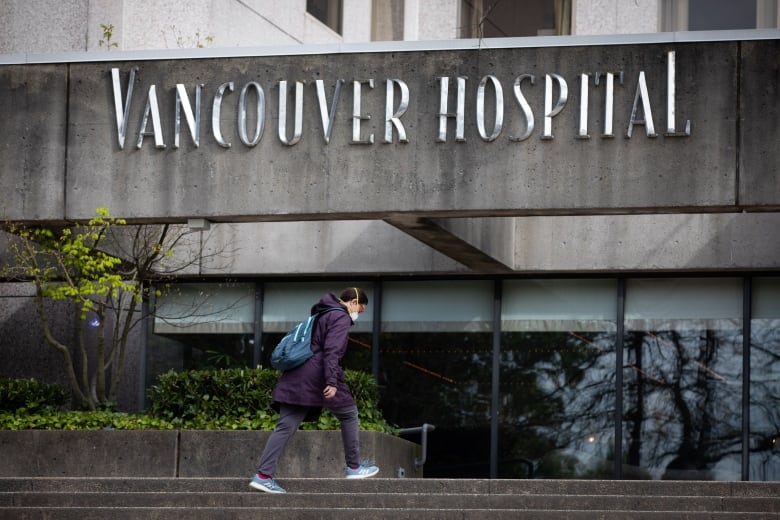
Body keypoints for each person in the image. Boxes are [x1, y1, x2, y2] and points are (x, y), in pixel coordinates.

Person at [249, 287, 379, 493]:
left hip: (297, 375)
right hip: (318, 375)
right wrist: (332, 381)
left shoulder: (322, 313)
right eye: (360, 310)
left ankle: (262, 475)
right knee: (349, 414)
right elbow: (332, 351)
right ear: (353, 302)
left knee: (286, 425)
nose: (358, 314)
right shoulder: (340, 316)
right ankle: (354, 467)